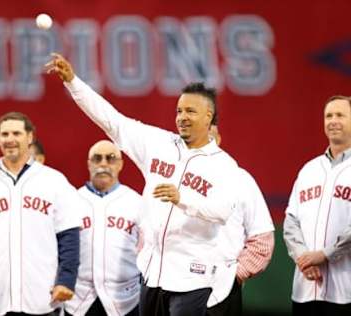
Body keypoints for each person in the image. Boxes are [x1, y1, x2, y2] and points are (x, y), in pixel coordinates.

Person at [46, 54, 240, 316]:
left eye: (190, 111)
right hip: (152, 274)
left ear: (209, 117)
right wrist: (72, 81)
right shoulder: (159, 144)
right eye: (179, 111)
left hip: (193, 277)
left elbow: (223, 211)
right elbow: (111, 120)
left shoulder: (223, 165)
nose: (182, 117)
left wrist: (182, 199)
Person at [0, 111, 81, 316]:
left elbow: (69, 238)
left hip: (43, 299)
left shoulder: (54, 181)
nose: (10, 139)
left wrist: (66, 280)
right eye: (4, 135)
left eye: (16, 133)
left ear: (30, 137)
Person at [283, 95, 351, 316]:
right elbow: (291, 222)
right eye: (328, 115)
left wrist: (324, 255)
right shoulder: (309, 170)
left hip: (346, 289)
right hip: (306, 288)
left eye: (340, 115)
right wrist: (304, 258)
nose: (333, 120)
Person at [64, 140, 142, 316]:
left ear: (121, 164)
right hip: (79, 299)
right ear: (88, 164)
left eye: (111, 158)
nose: (103, 164)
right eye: (97, 158)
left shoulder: (136, 202)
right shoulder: (71, 201)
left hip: (127, 299)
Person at [206, 125, 275, 316]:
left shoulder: (240, 179)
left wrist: (233, 276)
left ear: (218, 139)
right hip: (173, 286)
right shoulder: (171, 177)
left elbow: (262, 240)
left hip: (221, 291)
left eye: (208, 136)